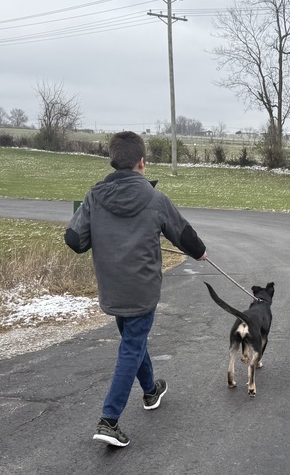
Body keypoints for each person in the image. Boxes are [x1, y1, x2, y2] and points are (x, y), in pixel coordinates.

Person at [65, 130, 207, 447]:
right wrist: (199, 251)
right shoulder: (155, 200)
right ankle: (109, 420)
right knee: (131, 346)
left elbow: (75, 240)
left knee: (133, 340)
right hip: (142, 291)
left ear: (113, 161)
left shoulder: (93, 197)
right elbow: (183, 233)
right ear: (142, 162)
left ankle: (151, 391)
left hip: (111, 289)